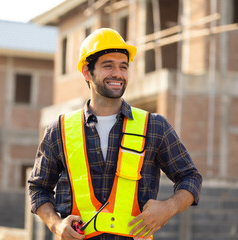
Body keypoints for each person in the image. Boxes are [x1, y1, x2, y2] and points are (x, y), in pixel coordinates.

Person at [28, 28, 202, 240]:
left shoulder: (154, 127)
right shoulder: (59, 130)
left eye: (123, 66)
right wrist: (56, 224)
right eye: (108, 66)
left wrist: (168, 208)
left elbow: (190, 177)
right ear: (86, 72)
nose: (118, 74)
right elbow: (38, 188)